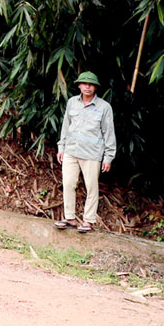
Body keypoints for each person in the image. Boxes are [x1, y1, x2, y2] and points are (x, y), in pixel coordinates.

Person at [55, 71, 117, 233]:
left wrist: (108, 157)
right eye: (84, 83)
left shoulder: (104, 107)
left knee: (91, 187)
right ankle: (69, 218)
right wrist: (61, 147)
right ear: (79, 85)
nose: (87, 86)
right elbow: (65, 126)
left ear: (95, 87)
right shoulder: (72, 103)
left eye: (90, 84)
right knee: (68, 183)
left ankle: (88, 220)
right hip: (71, 151)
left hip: (92, 154)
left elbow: (109, 133)